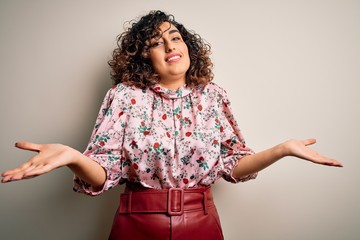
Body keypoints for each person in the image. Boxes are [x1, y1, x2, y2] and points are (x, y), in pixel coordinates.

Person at [1, 10, 342, 240]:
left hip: (202, 222)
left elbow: (234, 164)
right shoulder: (123, 97)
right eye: (155, 43)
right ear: (143, 56)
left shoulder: (213, 96)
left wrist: (282, 150)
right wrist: (72, 157)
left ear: (187, 46)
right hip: (136, 224)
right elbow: (105, 174)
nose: (168, 46)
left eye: (175, 37)